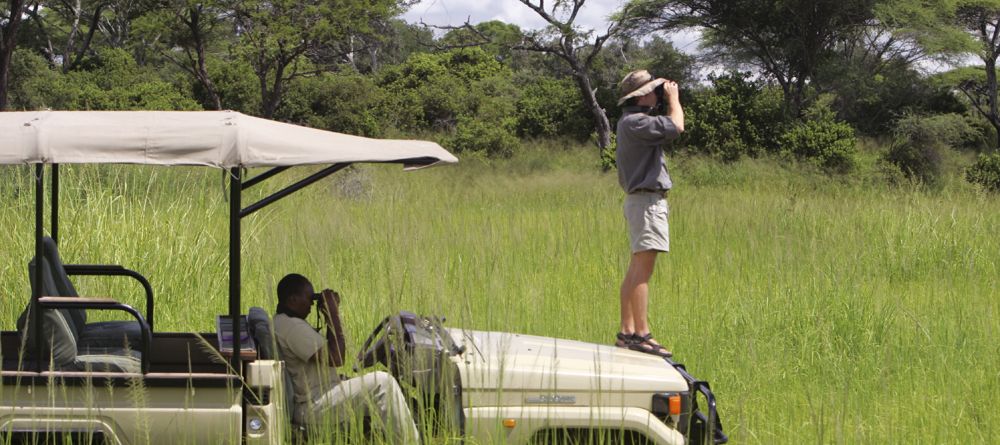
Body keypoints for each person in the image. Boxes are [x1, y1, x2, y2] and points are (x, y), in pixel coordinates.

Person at [272, 273, 420, 443]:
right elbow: (336, 358)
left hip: (317, 395)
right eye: (309, 298)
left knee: (370, 384)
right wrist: (333, 313)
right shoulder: (293, 328)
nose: (312, 304)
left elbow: (326, 355)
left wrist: (328, 317)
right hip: (313, 406)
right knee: (383, 383)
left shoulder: (283, 322)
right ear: (292, 300)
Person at [613, 70, 685, 358]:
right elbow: (677, 126)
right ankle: (642, 334)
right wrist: (674, 99)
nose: (658, 94)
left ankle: (627, 331)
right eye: (654, 90)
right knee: (643, 272)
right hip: (647, 203)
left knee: (635, 269)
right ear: (642, 95)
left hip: (639, 202)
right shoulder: (637, 122)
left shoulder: (629, 122)